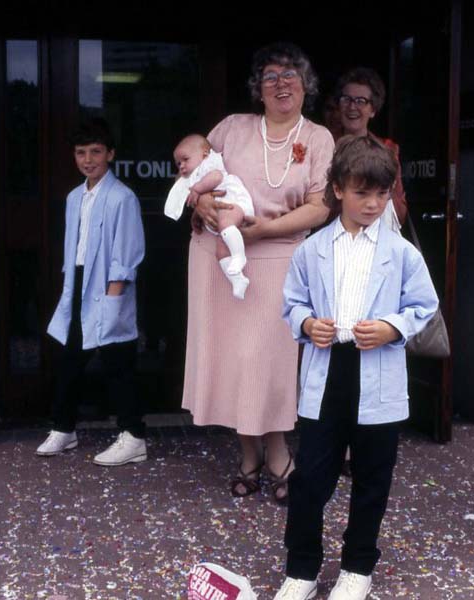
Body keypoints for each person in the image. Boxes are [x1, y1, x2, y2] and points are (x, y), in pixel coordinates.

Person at [274, 135, 438, 600]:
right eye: (361, 192)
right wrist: (307, 323)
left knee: (372, 478)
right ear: (338, 190)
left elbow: (424, 305)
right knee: (310, 478)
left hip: (377, 370)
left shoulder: (401, 250)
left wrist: (392, 327)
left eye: (381, 194)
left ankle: (357, 567)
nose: (372, 203)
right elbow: (292, 302)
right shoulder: (312, 247)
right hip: (328, 372)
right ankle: (302, 569)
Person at [181, 42, 335, 503]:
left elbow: (321, 207)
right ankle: (252, 455)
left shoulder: (321, 138)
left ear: (305, 84)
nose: (281, 83)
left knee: (266, 362)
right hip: (219, 257)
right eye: (271, 76)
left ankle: (275, 451)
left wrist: (264, 228)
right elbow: (194, 173)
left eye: (291, 74)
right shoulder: (232, 128)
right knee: (232, 360)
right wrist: (202, 202)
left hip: (278, 259)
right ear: (258, 88)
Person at [37, 118, 148, 466]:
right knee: (70, 358)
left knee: (117, 361)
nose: (88, 159)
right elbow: (74, 246)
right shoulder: (74, 197)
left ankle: (133, 435)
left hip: (109, 284)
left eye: (96, 151)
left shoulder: (122, 197)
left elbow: (127, 253)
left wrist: (114, 297)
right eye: (81, 152)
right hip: (79, 282)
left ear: (110, 154)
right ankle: (64, 427)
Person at [166, 134, 254, 299]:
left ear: (205, 154)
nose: (182, 166)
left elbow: (216, 177)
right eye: (179, 163)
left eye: (185, 159)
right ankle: (237, 279)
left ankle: (239, 256)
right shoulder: (191, 176)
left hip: (234, 201)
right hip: (221, 216)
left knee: (226, 223)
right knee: (220, 251)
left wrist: (198, 190)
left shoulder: (209, 165)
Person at [333, 67, 407, 229]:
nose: (352, 107)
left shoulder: (387, 149)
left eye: (361, 101)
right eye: (346, 99)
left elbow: (399, 211)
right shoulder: (325, 144)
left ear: (373, 109)